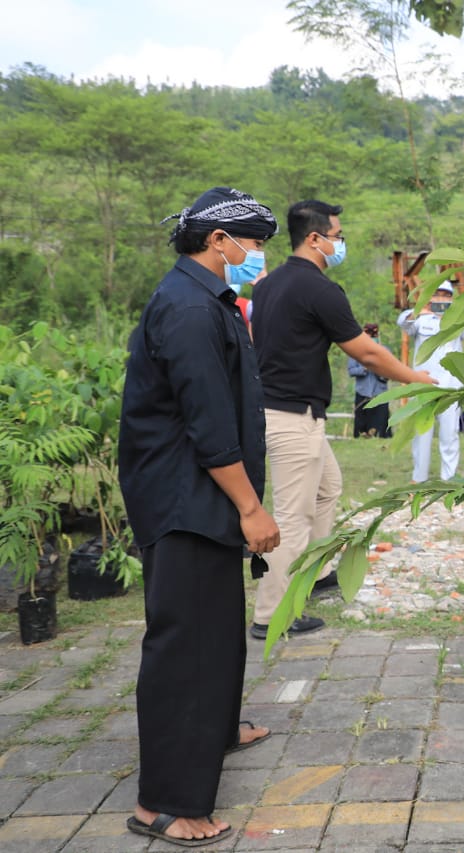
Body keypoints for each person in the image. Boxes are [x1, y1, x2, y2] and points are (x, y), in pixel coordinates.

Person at [117, 187, 282, 846]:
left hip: (199, 497)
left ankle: (216, 729)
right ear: (219, 243)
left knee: (216, 627)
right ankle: (165, 801)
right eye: (250, 241)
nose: (255, 253)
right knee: (184, 644)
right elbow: (208, 423)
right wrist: (251, 507)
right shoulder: (187, 309)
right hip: (185, 500)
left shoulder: (204, 298)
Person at [250, 200, 435, 641]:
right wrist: (416, 380)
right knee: (292, 517)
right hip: (291, 417)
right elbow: (366, 352)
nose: (341, 243)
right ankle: (270, 614)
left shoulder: (270, 284)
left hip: (288, 412)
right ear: (314, 239)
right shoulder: (318, 289)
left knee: (328, 489)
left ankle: (318, 572)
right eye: (337, 235)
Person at [397, 280, 464, 482]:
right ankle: (419, 478)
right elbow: (403, 322)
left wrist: (458, 310)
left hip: (451, 387)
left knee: (450, 435)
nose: (441, 298)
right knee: (421, 435)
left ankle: (449, 479)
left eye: (446, 295)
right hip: (425, 386)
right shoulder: (421, 320)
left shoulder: (459, 320)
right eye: (437, 294)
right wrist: (422, 308)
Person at [348, 322, 392, 438]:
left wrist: (377, 367)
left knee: (381, 423)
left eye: (373, 333)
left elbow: (390, 371)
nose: (371, 336)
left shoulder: (385, 350)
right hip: (363, 392)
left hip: (380, 392)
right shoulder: (355, 350)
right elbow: (351, 371)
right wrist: (365, 368)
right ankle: (362, 437)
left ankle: (381, 437)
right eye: (368, 333)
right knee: (361, 422)